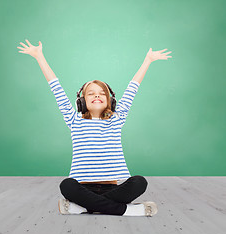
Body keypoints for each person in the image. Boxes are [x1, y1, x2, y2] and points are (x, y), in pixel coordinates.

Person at [17, 39, 172, 216]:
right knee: (66, 185)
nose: (96, 96)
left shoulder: (117, 119)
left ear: (110, 101)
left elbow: (132, 89)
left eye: (101, 94)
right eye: (91, 93)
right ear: (82, 101)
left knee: (139, 182)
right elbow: (56, 88)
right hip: (83, 190)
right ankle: (127, 211)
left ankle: (83, 208)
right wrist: (39, 57)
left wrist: (148, 60)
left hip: (114, 190)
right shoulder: (73, 119)